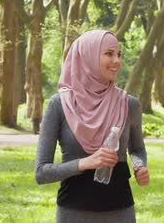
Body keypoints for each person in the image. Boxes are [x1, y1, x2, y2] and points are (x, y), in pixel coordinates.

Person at [35, 30, 149, 223]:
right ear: (87, 56)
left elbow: (137, 149)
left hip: (121, 210)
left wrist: (140, 165)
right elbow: (41, 173)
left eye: (119, 54)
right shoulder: (59, 105)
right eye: (109, 54)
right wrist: (85, 163)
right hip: (73, 211)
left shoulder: (129, 104)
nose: (117, 61)